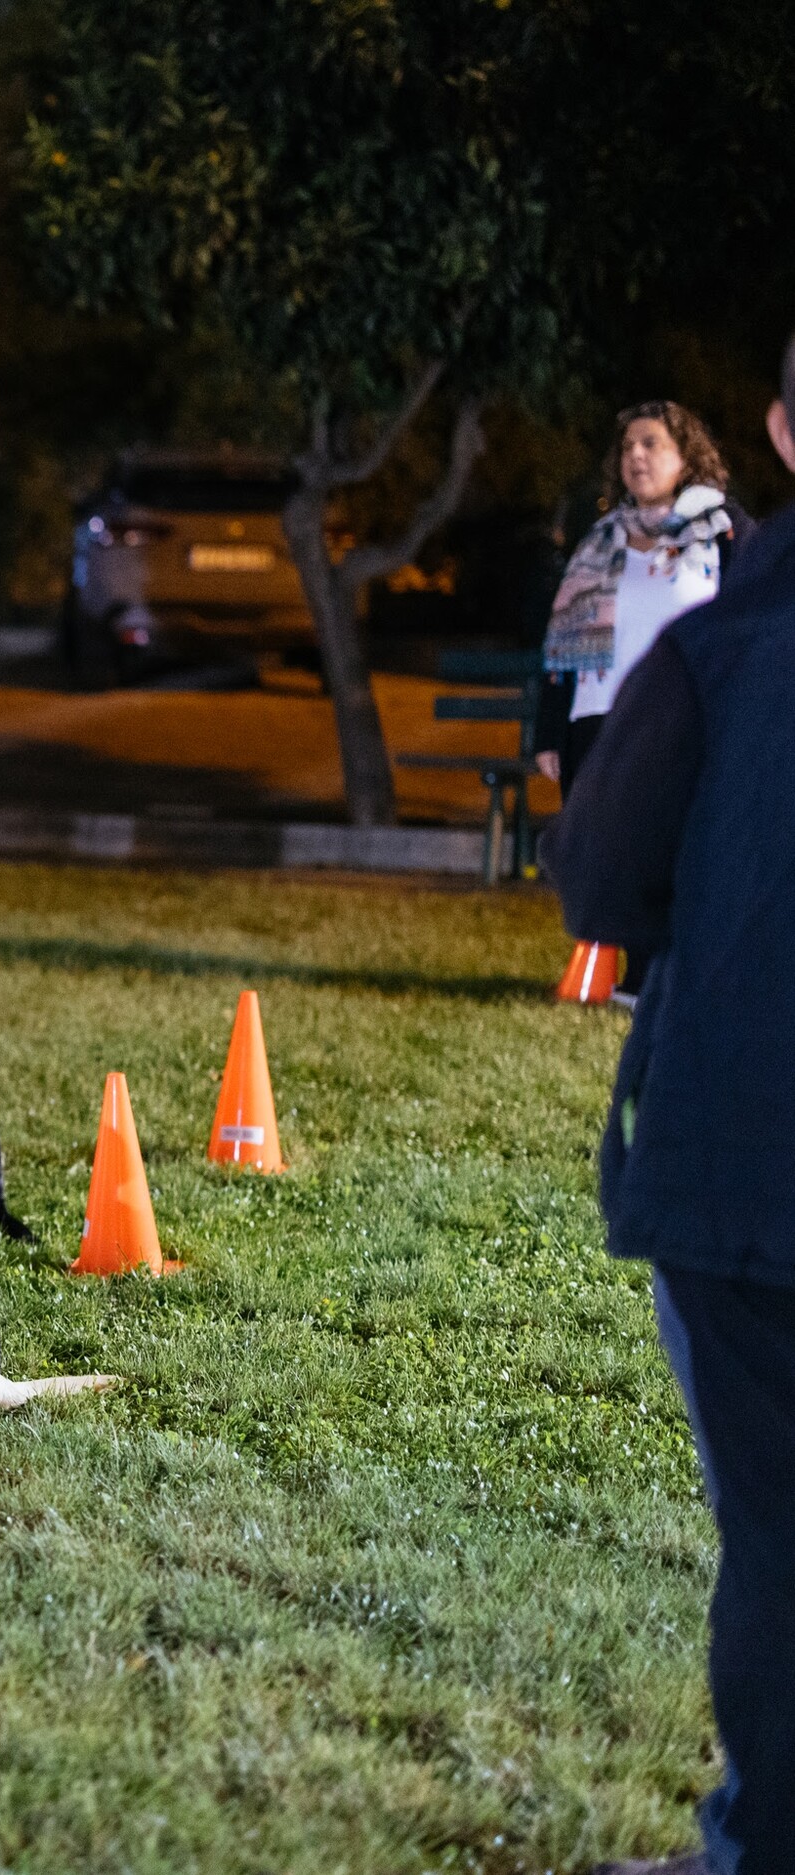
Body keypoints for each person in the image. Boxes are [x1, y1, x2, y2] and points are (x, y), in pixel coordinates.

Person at [549, 338, 795, 1875]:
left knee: (780, 1541)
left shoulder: (722, 645)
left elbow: (600, 880)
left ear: (779, 428)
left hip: (746, 1170)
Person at [536, 403, 752, 794]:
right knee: (598, 854)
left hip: (684, 724)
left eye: (650, 443)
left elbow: (753, 626)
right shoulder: (597, 543)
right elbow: (564, 648)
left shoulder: (723, 533)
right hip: (596, 727)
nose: (635, 454)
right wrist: (550, 732)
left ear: (686, 460)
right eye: (627, 447)